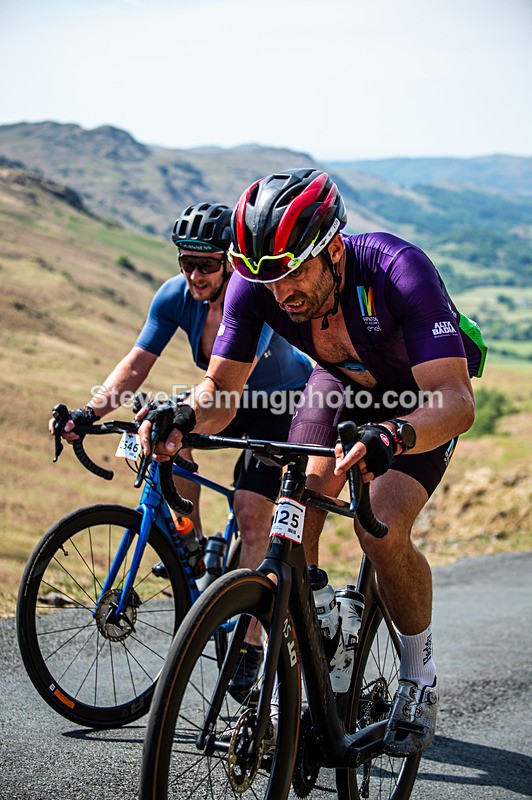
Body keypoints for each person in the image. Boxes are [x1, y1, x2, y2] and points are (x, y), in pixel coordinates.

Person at [138, 169, 487, 757]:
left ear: (330, 249)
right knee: (294, 508)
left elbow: (456, 401)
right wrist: (182, 417)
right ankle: (323, 621)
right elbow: (219, 391)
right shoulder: (258, 281)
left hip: (415, 398)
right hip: (340, 380)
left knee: (379, 527)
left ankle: (418, 673)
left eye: (292, 271)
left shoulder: (398, 270)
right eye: (264, 276)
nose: (280, 293)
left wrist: (396, 436)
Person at [49, 200, 313, 700]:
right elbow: (135, 364)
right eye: (185, 262)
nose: (194, 274)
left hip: (280, 403)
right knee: (165, 438)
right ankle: (190, 539)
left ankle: (251, 643)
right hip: (222, 400)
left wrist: (180, 409)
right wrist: (90, 412)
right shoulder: (175, 296)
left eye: (206, 264)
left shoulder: (249, 298)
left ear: (232, 260)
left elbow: (228, 389)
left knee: (253, 513)